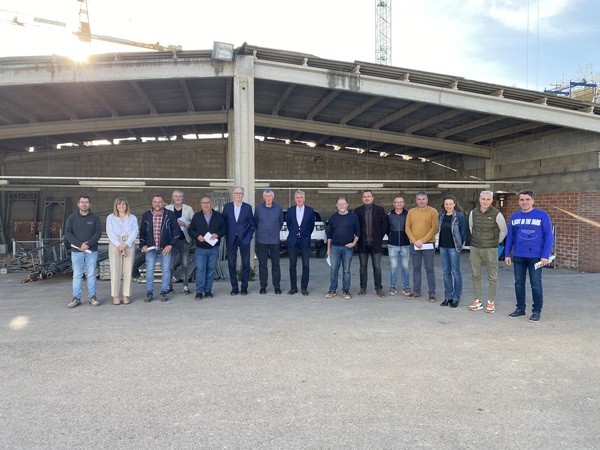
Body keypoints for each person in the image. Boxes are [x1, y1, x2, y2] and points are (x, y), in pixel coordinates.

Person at [505, 189, 554, 322]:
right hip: (519, 256)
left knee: (536, 284)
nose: (524, 202)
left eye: (527, 199)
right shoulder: (515, 217)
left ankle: (536, 311)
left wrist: (545, 255)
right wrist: (507, 253)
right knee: (519, 283)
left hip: (536, 257)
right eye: (522, 200)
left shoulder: (542, 215)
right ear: (519, 201)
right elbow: (510, 236)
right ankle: (520, 309)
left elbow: (549, 236)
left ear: (533, 201)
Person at [468, 190, 507, 314]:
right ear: (479, 200)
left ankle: (491, 302)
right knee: (475, 275)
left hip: (490, 248)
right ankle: (478, 300)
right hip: (475, 248)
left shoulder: (497, 214)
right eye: (483, 199)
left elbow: (503, 231)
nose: (485, 201)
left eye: (488, 199)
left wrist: (494, 242)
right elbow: (471, 228)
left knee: (492, 276)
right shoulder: (473, 213)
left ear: (491, 200)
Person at [139, 194, 181, 303]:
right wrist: (142, 245)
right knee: (149, 270)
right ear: (152, 203)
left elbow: (176, 232)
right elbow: (142, 232)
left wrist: (170, 245)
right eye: (155, 202)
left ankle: (164, 291)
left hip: (165, 248)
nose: (157, 204)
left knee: (166, 270)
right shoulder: (146, 215)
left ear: (163, 203)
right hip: (150, 248)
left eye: (159, 202)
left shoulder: (170, 215)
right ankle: (149, 292)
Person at [65, 196, 103, 308]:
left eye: (86, 202)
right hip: (76, 251)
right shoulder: (72, 218)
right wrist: (80, 244)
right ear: (78, 204)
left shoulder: (95, 218)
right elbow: (68, 233)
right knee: (77, 275)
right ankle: (76, 297)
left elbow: (98, 233)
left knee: (91, 274)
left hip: (91, 250)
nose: (84, 204)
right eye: (82, 202)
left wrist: (88, 244)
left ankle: (93, 297)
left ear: (89, 205)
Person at [188, 196, 226, 300]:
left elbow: (224, 229)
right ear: (201, 204)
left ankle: (208, 290)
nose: (206, 205)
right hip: (200, 248)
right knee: (201, 270)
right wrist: (197, 236)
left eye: (208, 202)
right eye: (204, 203)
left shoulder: (218, 216)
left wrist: (217, 234)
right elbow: (190, 230)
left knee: (211, 270)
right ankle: (199, 291)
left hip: (214, 248)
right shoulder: (197, 216)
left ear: (211, 203)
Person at [354, 190, 388, 297]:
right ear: (362, 198)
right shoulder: (357, 210)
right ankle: (363, 287)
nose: (367, 198)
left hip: (376, 242)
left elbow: (384, 226)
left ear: (372, 198)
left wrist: (378, 237)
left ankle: (378, 288)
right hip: (362, 243)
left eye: (369, 196)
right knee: (363, 266)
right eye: (364, 197)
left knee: (377, 267)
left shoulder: (380, 210)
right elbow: (355, 226)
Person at [405, 192, 439, 302]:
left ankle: (432, 292)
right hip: (414, 245)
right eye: (419, 199)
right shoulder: (411, 212)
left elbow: (434, 228)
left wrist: (422, 241)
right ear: (416, 200)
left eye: (423, 199)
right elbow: (407, 228)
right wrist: (415, 241)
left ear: (427, 200)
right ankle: (416, 290)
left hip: (428, 244)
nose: (421, 201)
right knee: (416, 268)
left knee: (429, 268)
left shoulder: (433, 211)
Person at [325, 197, 360, 300]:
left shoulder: (353, 217)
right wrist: (328, 249)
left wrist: (354, 243)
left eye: (343, 204)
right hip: (335, 247)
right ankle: (332, 290)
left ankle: (346, 290)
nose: (341, 206)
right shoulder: (333, 217)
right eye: (339, 204)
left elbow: (358, 232)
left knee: (346, 271)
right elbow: (329, 235)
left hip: (347, 248)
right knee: (333, 270)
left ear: (347, 205)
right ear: (336, 206)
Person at [106, 197, 139, 305]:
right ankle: (115, 295)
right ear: (116, 206)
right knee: (115, 270)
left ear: (126, 206)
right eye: (119, 204)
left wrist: (125, 244)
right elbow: (110, 232)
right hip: (115, 244)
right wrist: (119, 245)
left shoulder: (132, 217)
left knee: (128, 271)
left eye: (123, 204)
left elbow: (135, 231)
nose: (121, 206)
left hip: (128, 243)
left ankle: (126, 295)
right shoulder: (110, 218)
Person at [223, 187, 255, 296]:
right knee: (231, 264)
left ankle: (244, 287)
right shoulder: (227, 207)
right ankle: (234, 287)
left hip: (244, 239)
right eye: (236, 193)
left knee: (246, 264)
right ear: (233, 194)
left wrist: (249, 236)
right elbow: (224, 223)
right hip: (231, 239)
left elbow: (252, 224)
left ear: (243, 195)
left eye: (240, 193)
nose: (238, 195)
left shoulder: (247, 207)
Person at [436, 195, 467, 308]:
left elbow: (463, 233)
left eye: (450, 204)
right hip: (443, 247)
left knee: (456, 272)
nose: (448, 206)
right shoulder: (441, 216)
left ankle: (456, 297)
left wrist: (459, 246)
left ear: (454, 204)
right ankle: (448, 296)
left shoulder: (459, 216)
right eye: (446, 204)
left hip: (454, 248)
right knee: (446, 273)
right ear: (443, 205)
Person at [254, 189, 284, 294]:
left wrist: (274, 230)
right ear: (263, 197)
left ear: (273, 197)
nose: (268, 198)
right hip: (261, 239)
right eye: (266, 196)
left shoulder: (279, 208)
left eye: (270, 196)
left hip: (274, 240)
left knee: (276, 263)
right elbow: (256, 222)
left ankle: (277, 286)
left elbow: (280, 222)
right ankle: (263, 286)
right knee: (263, 264)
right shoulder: (258, 208)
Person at [165, 189, 195, 295]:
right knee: (170, 264)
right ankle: (170, 286)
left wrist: (185, 224)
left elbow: (194, 223)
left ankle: (185, 286)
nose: (178, 198)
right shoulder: (167, 209)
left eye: (179, 196)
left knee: (185, 263)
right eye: (176, 196)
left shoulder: (188, 209)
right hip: (170, 241)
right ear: (172, 197)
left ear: (183, 198)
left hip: (184, 240)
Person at [286, 190, 315, 296]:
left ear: (304, 199)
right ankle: (293, 287)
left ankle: (304, 288)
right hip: (293, 240)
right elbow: (289, 224)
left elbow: (311, 226)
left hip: (305, 240)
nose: (299, 199)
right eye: (297, 197)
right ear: (295, 199)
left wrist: (305, 234)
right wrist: (295, 233)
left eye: (301, 197)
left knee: (306, 265)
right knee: (292, 265)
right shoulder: (290, 210)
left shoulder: (310, 211)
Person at [387, 196, 412, 297]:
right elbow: (386, 227)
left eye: (401, 202)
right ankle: (393, 287)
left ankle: (406, 287)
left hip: (405, 244)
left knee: (405, 267)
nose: (399, 204)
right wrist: (391, 236)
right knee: (394, 267)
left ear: (404, 203)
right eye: (397, 202)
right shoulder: (389, 215)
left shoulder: (408, 214)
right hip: (392, 244)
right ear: (394, 203)